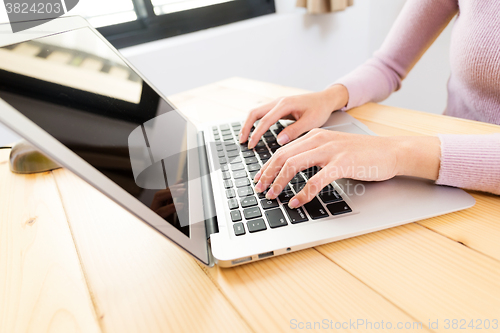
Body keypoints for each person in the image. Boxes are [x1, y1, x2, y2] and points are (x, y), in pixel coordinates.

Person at [239, 0, 500, 209]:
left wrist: (397, 151)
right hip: (441, 172)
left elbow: (401, 152)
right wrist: (329, 97)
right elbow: (388, 64)